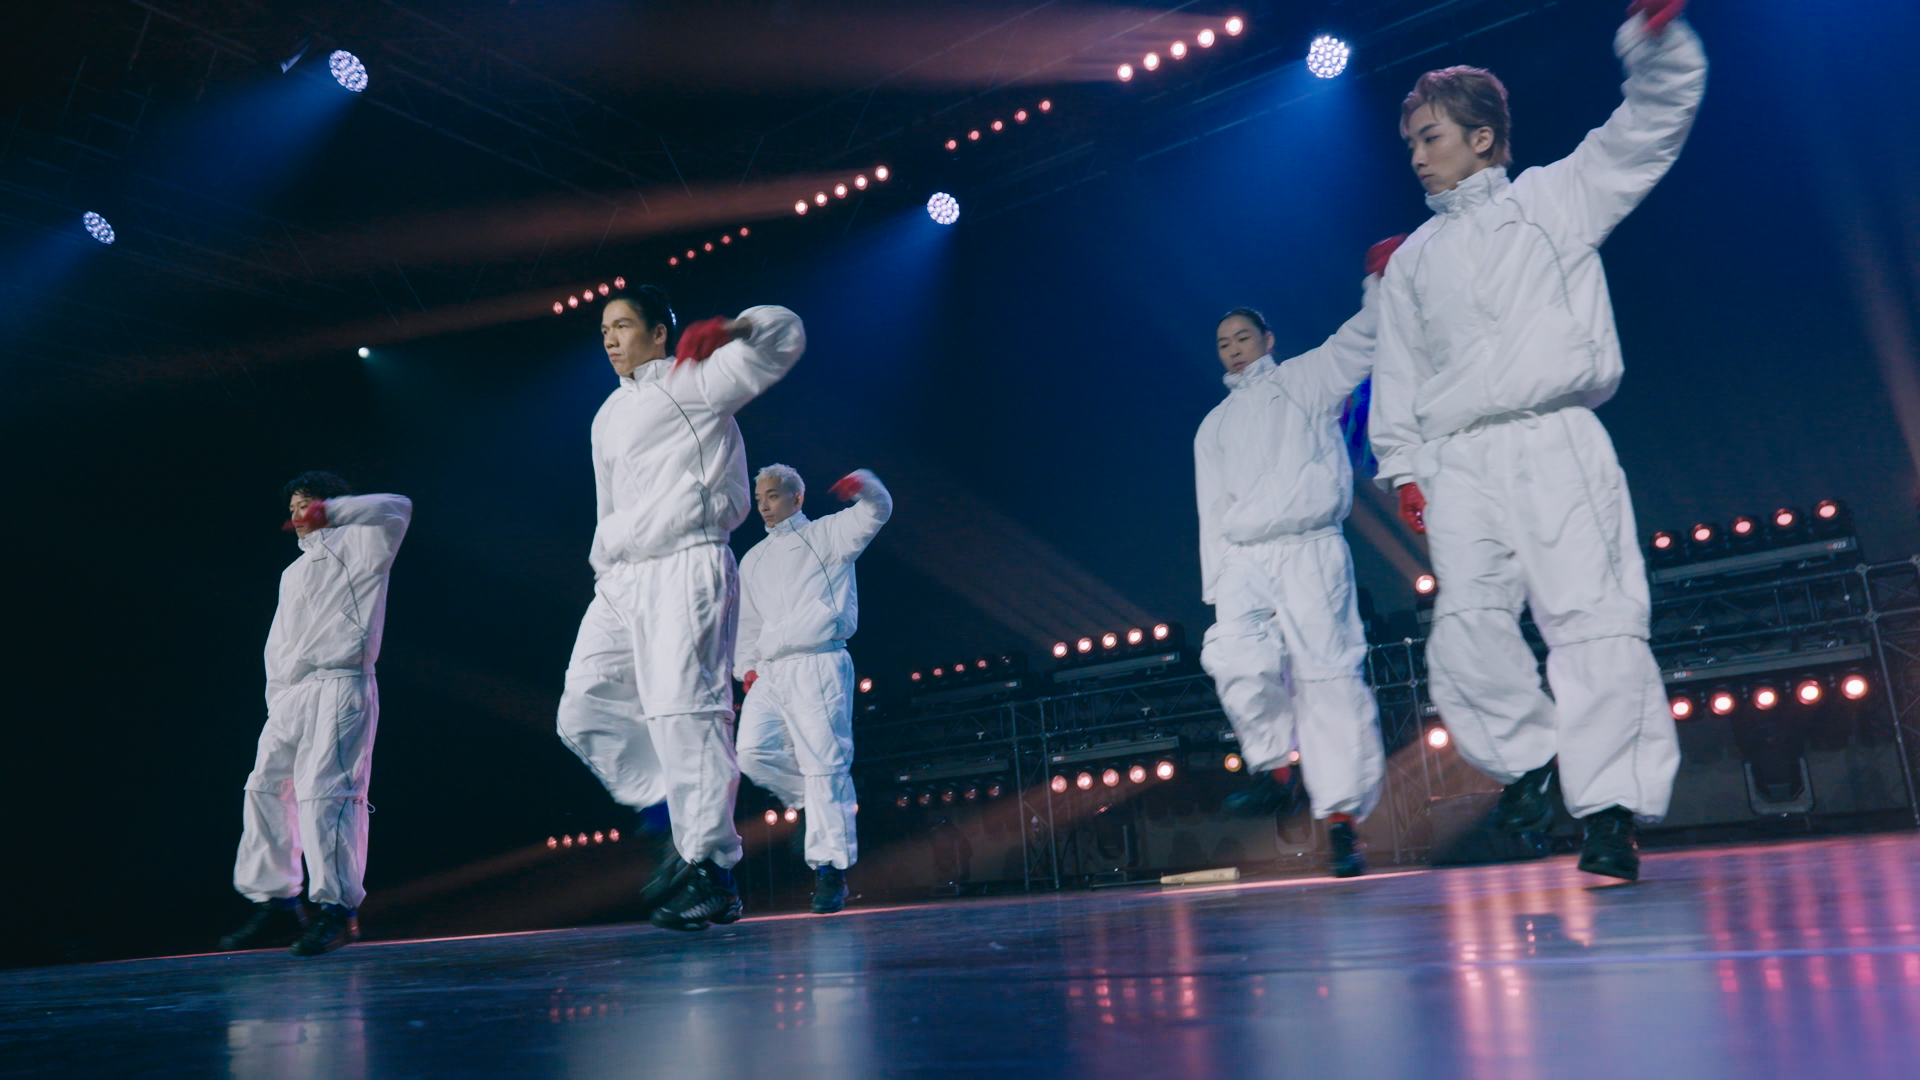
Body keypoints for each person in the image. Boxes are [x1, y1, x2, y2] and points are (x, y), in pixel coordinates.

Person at [1366, 0, 1705, 881]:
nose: (1416, 154)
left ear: (1481, 138)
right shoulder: (1412, 262)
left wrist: (1656, 47)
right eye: (1410, 142)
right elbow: (1398, 375)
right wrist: (1405, 469)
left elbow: (1650, 127)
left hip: (1555, 440)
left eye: (1431, 136)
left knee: (1593, 621)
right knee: (1465, 630)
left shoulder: (1555, 199)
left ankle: (1610, 813)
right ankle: (1536, 760)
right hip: (1460, 460)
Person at [555, 286, 806, 930]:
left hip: (687, 561)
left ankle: (711, 869)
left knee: (686, 713)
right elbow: (609, 505)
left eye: (622, 325)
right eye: (603, 330)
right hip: (623, 579)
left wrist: (734, 328)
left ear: (659, 332)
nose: (610, 339)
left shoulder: (696, 379)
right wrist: (608, 575)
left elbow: (785, 335)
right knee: (583, 707)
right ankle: (670, 815)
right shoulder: (605, 416)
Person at [1195, 255, 1395, 878]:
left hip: (1311, 547)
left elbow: (1363, 338)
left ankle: (1341, 822)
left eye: (1243, 338)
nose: (1234, 350)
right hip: (1243, 554)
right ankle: (1275, 770)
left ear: (1268, 340)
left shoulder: (1307, 379)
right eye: (1224, 343)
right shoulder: (1212, 426)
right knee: (1235, 656)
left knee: (1327, 679)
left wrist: (1380, 281)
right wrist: (1217, 581)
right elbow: (1213, 507)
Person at [220, 472, 412, 956]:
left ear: (328, 504)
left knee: (328, 794)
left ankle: (337, 910)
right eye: (292, 509)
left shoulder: (363, 546)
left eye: (305, 505)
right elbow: (279, 644)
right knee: (265, 787)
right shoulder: (293, 573)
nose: (297, 516)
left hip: (342, 683)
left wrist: (336, 512)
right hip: (294, 694)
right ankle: (278, 902)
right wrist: (278, 700)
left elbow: (398, 507)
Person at [734, 464, 893, 914]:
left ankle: (830, 871)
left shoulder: (827, 535)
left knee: (825, 766)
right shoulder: (753, 560)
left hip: (818, 661)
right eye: (760, 498)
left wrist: (865, 485)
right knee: (752, 752)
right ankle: (809, 802)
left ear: (797, 498)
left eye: (773, 496)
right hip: (771, 671)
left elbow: (877, 510)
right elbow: (747, 624)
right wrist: (747, 668)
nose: (764, 506)